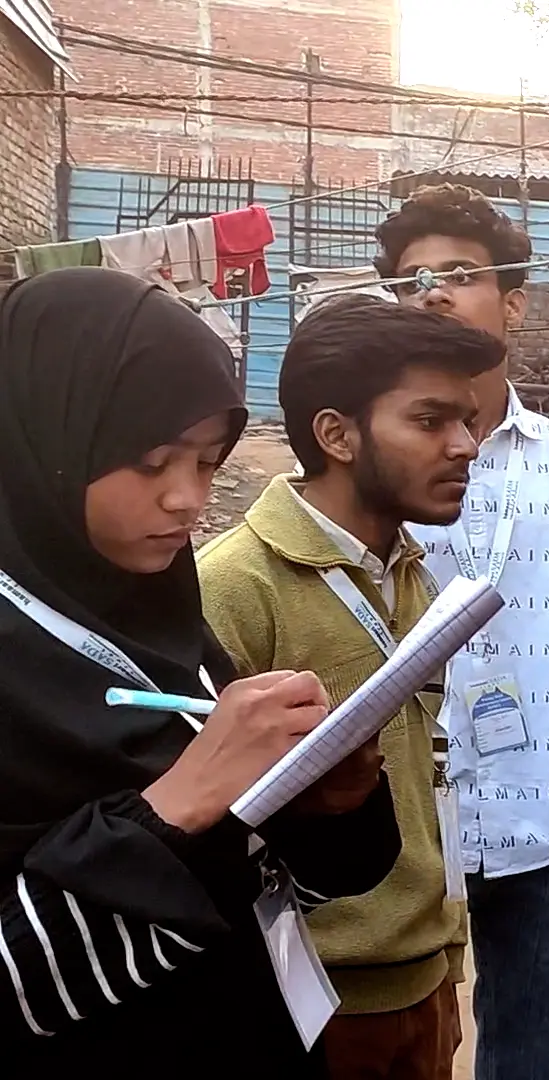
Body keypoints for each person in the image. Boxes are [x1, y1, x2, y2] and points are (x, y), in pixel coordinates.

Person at [0, 269, 397, 1074]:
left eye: (209, 462)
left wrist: (318, 803)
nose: (188, 499)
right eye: (153, 462)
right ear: (47, 438)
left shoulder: (160, 610)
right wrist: (175, 804)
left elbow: (251, 890)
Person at [199, 296, 503, 1079]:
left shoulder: (414, 572)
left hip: (423, 983)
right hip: (308, 1006)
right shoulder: (233, 587)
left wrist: (445, 963)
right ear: (336, 434)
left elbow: (426, 771)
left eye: (468, 421)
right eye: (432, 421)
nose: (466, 445)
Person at [375, 184, 549, 1080]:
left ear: (513, 302)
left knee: (526, 1041)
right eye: (410, 280)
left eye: (459, 275)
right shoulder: (366, 462)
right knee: (403, 1040)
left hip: (535, 813)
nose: (431, 292)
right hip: (396, 827)